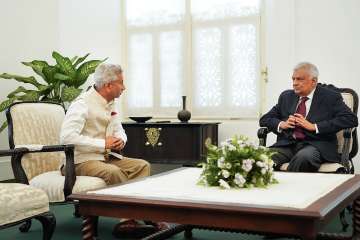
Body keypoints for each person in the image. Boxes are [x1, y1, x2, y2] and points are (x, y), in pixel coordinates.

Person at [60, 63, 166, 238]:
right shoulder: (81, 104)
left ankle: (140, 216)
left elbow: (119, 130)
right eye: (121, 83)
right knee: (114, 172)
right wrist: (103, 143)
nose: (124, 87)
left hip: (105, 157)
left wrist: (120, 141)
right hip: (80, 161)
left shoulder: (111, 103)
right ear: (108, 85)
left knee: (142, 166)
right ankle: (127, 222)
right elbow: (67, 137)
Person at [259, 62, 358, 172]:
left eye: (300, 79)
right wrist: (283, 124)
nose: (295, 83)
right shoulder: (286, 96)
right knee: (260, 157)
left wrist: (314, 126)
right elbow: (265, 119)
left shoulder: (330, 97)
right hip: (288, 145)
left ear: (313, 81)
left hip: (317, 146)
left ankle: (292, 187)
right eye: (293, 79)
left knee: (304, 157)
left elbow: (351, 119)